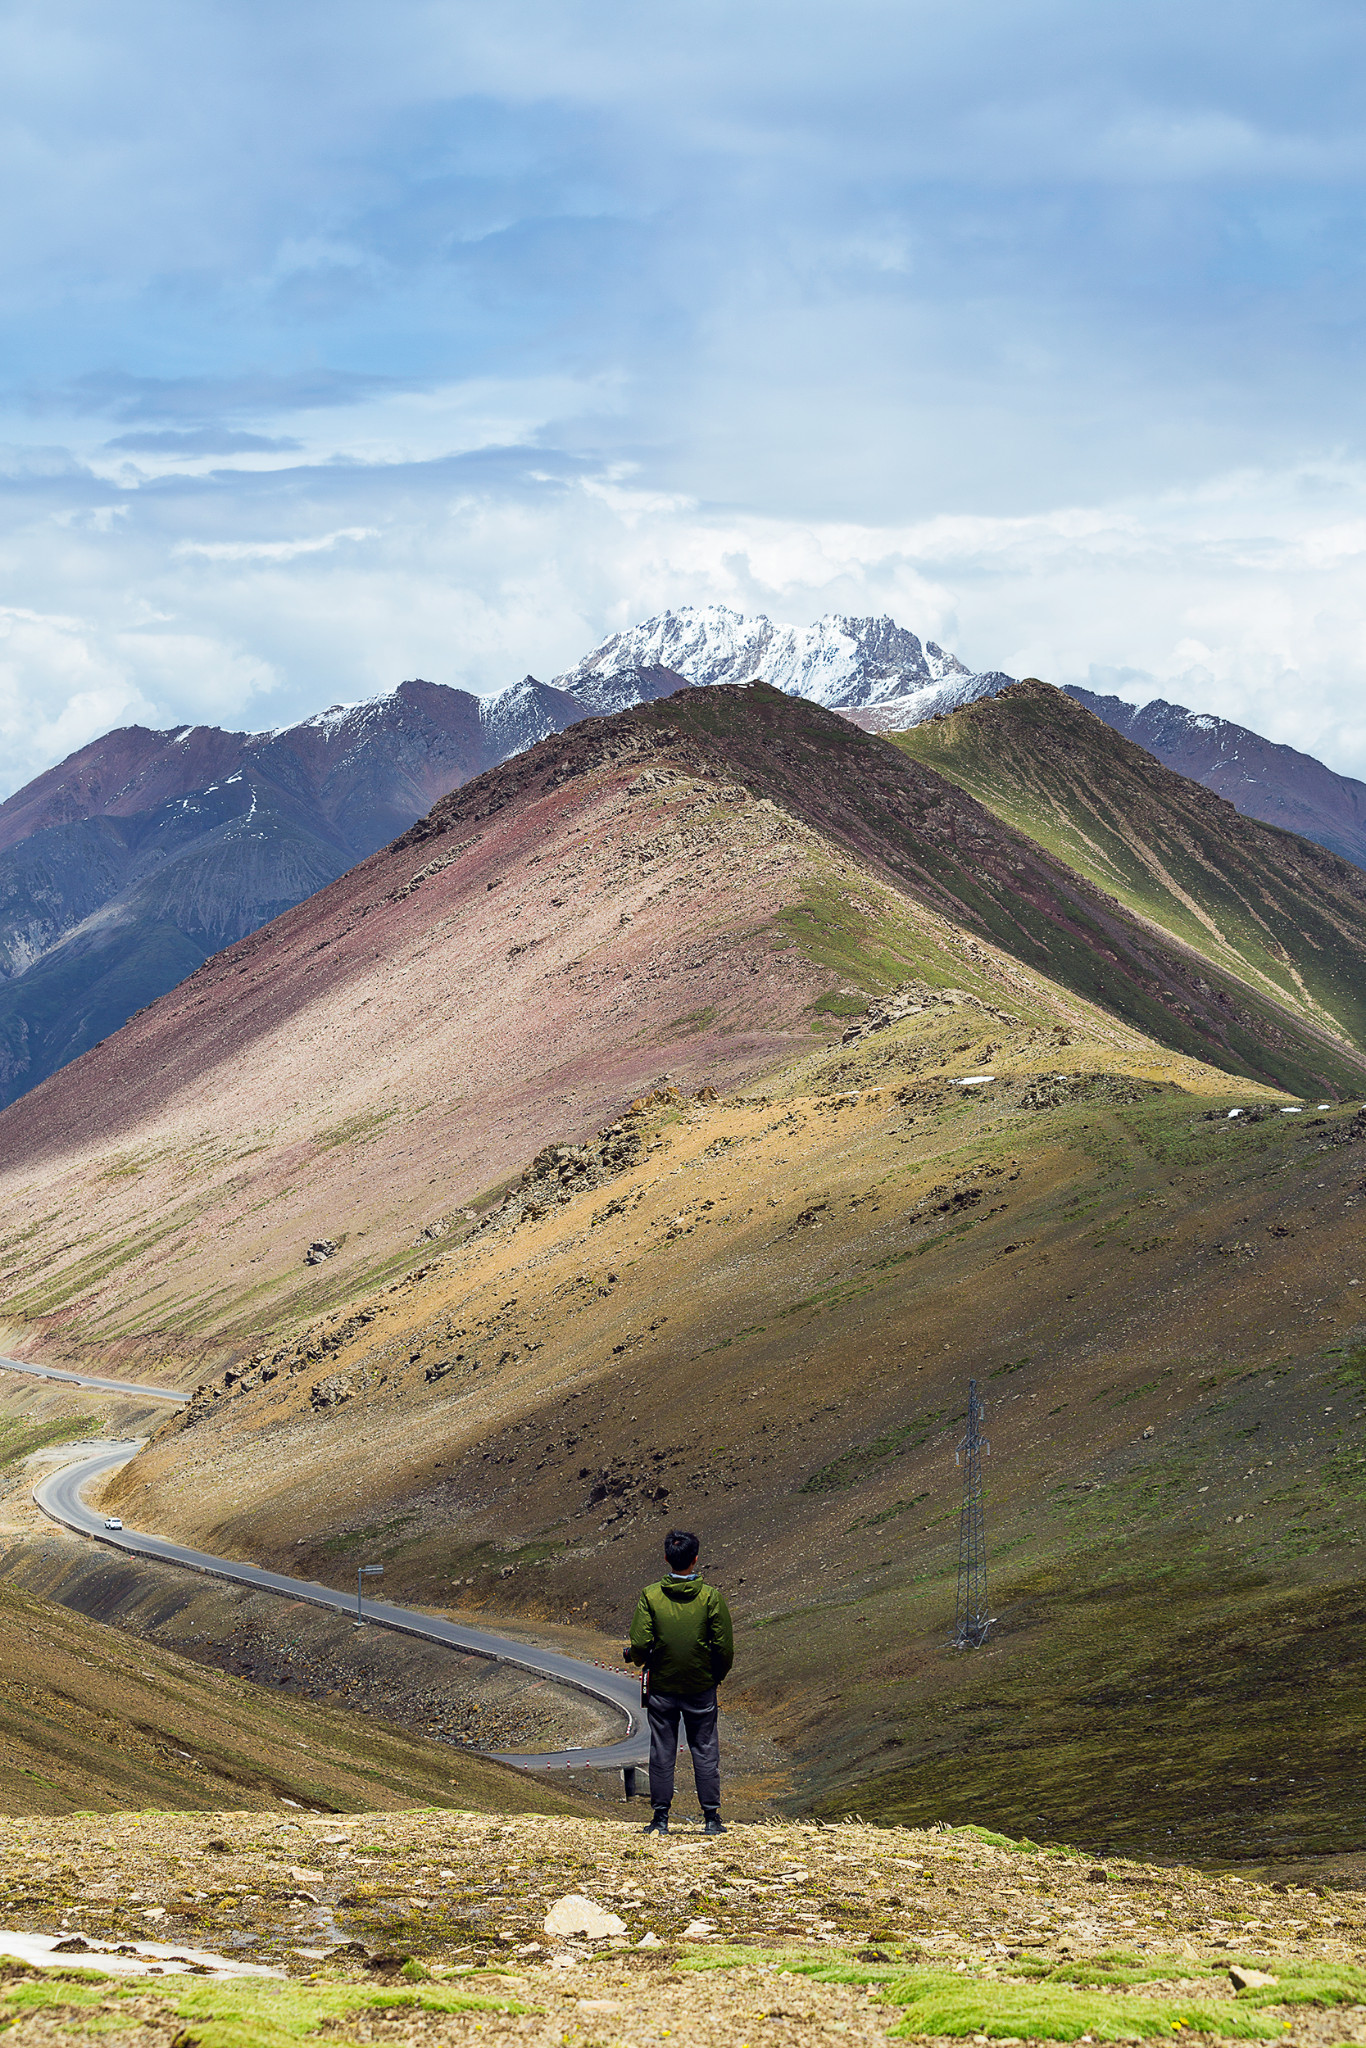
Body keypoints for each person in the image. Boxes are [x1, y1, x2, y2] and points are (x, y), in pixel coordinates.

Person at [623, 1528, 733, 1835]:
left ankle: (660, 1819)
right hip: (701, 1687)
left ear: (666, 1559)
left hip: (663, 1687)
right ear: (695, 1559)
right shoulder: (711, 1598)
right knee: (705, 1747)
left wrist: (637, 1657)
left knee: (662, 1749)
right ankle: (711, 1818)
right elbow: (724, 1647)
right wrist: (715, 1676)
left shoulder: (651, 1595)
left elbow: (641, 1643)